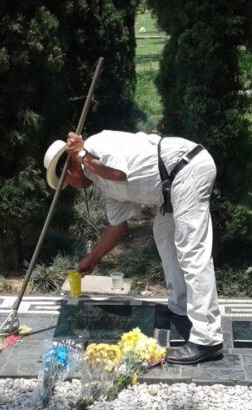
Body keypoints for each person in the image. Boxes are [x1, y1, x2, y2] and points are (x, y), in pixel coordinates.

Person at [45, 131, 224, 365]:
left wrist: (82, 154)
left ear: (70, 171)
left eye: (69, 184)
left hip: (187, 168)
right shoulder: (103, 184)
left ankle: (207, 338)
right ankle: (180, 306)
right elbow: (117, 228)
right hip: (171, 187)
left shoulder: (97, 145)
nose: (77, 188)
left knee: (192, 251)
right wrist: (93, 258)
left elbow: (119, 173)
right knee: (164, 235)